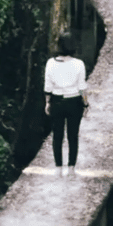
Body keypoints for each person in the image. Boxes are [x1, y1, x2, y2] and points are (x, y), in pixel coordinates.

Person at [44, 32, 89, 176]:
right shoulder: (79, 64)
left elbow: (48, 87)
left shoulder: (51, 63)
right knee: (73, 135)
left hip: (57, 100)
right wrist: (86, 104)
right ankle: (71, 168)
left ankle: (58, 168)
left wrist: (47, 102)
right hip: (74, 101)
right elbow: (82, 87)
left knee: (57, 135)